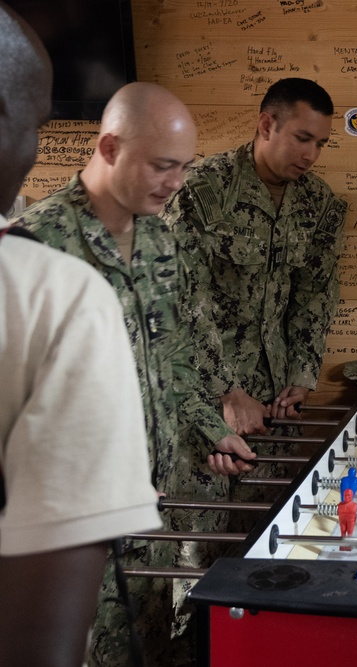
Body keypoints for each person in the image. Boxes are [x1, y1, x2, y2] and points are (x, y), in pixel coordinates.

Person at [12, 81, 253, 666]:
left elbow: (171, 356)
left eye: (184, 168)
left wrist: (207, 427)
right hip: (71, 521)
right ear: (111, 146)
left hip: (157, 502)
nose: (174, 183)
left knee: (151, 641)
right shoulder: (35, 246)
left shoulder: (160, 240)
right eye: (162, 166)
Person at [0, 4, 160, 665]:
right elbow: (43, 646)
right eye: (34, 124)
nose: (172, 183)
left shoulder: (158, 236)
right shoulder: (47, 290)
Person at [164, 77, 347, 438]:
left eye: (321, 144)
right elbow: (183, 299)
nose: (311, 155)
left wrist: (301, 376)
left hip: (275, 398)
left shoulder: (318, 203)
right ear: (266, 125)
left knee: (275, 495)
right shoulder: (202, 191)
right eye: (302, 138)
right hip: (201, 399)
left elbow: (316, 294)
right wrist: (229, 394)